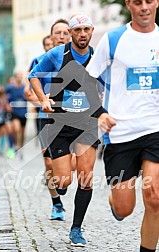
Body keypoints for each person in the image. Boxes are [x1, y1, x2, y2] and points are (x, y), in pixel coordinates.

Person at [29, 13, 115, 247]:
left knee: (86, 177)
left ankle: (76, 228)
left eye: (87, 30)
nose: (83, 34)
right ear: (71, 33)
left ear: (91, 31)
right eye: (78, 30)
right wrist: (42, 99)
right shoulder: (57, 54)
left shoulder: (97, 57)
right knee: (63, 181)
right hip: (59, 124)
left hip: (87, 124)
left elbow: (109, 84)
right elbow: (33, 76)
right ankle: (59, 191)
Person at [86, 0, 159, 251]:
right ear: (128, 4)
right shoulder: (113, 39)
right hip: (120, 133)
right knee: (124, 208)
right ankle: (116, 201)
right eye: (137, 2)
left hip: (155, 129)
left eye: (149, 1)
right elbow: (87, 79)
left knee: (155, 197)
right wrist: (100, 113)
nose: (144, 7)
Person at [25, 19, 72, 221]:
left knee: (72, 165)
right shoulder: (40, 60)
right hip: (48, 118)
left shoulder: (78, 58)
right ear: (51, 37)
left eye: (65, 33)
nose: (61, 36)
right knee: (50, 164)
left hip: (74, 118)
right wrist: (44, 100)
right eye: (57, 33)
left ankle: (64, 181)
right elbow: (29, 92)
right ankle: (57, 204)